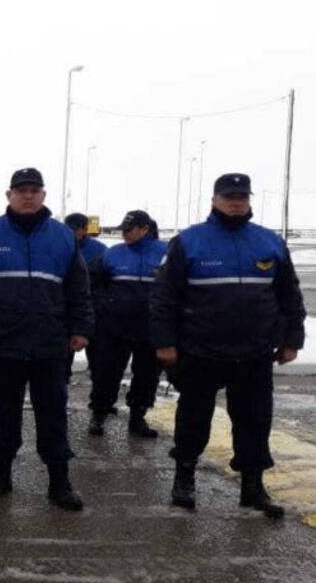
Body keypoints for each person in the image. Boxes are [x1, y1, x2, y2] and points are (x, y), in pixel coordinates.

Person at [151, 173, 305, 519]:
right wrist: (165, 343)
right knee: (193, 417)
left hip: (254, 351)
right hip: (200, 349)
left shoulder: (269, 242)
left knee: (254, 420)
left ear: (249, 199)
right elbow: (163, 298)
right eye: (229, 196)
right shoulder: (189, 242)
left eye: (241, 196)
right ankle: (184, 479)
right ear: (214, 200)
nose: (236, 201)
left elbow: (289, 294)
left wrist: (292, 338)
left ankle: (253, 486)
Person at [0, 168, 93, 511]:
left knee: (52, 414)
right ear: (9, 195)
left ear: (43, 195)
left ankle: (59, 482)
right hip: (2, 343)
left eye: (34, 190)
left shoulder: (62, 237)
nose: (27, 195)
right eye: (21, 190)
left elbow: (79, 288)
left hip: (49, 343)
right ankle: (0, 475)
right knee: (2, 412)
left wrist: (81, 327)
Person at [87, 210, 167, 438]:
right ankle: (98, 414)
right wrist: (103, 306)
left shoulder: (166, 254)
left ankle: (137, 417)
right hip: (115, 327)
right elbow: (91, 282)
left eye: (129, 230)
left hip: (150, 327)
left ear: (144, 229)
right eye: (122, 230)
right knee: (106, 372)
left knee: (147, 375)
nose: (124, 234)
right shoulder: (112, 254)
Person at [63, 212, 107, 383]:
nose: (71, 233)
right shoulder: (61, 245)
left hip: (94, 308)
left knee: (98, 357)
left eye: (75, 230)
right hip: (65, 309)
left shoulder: (100, 250)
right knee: (63, 358)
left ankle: (99, 400)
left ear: (85, 229)